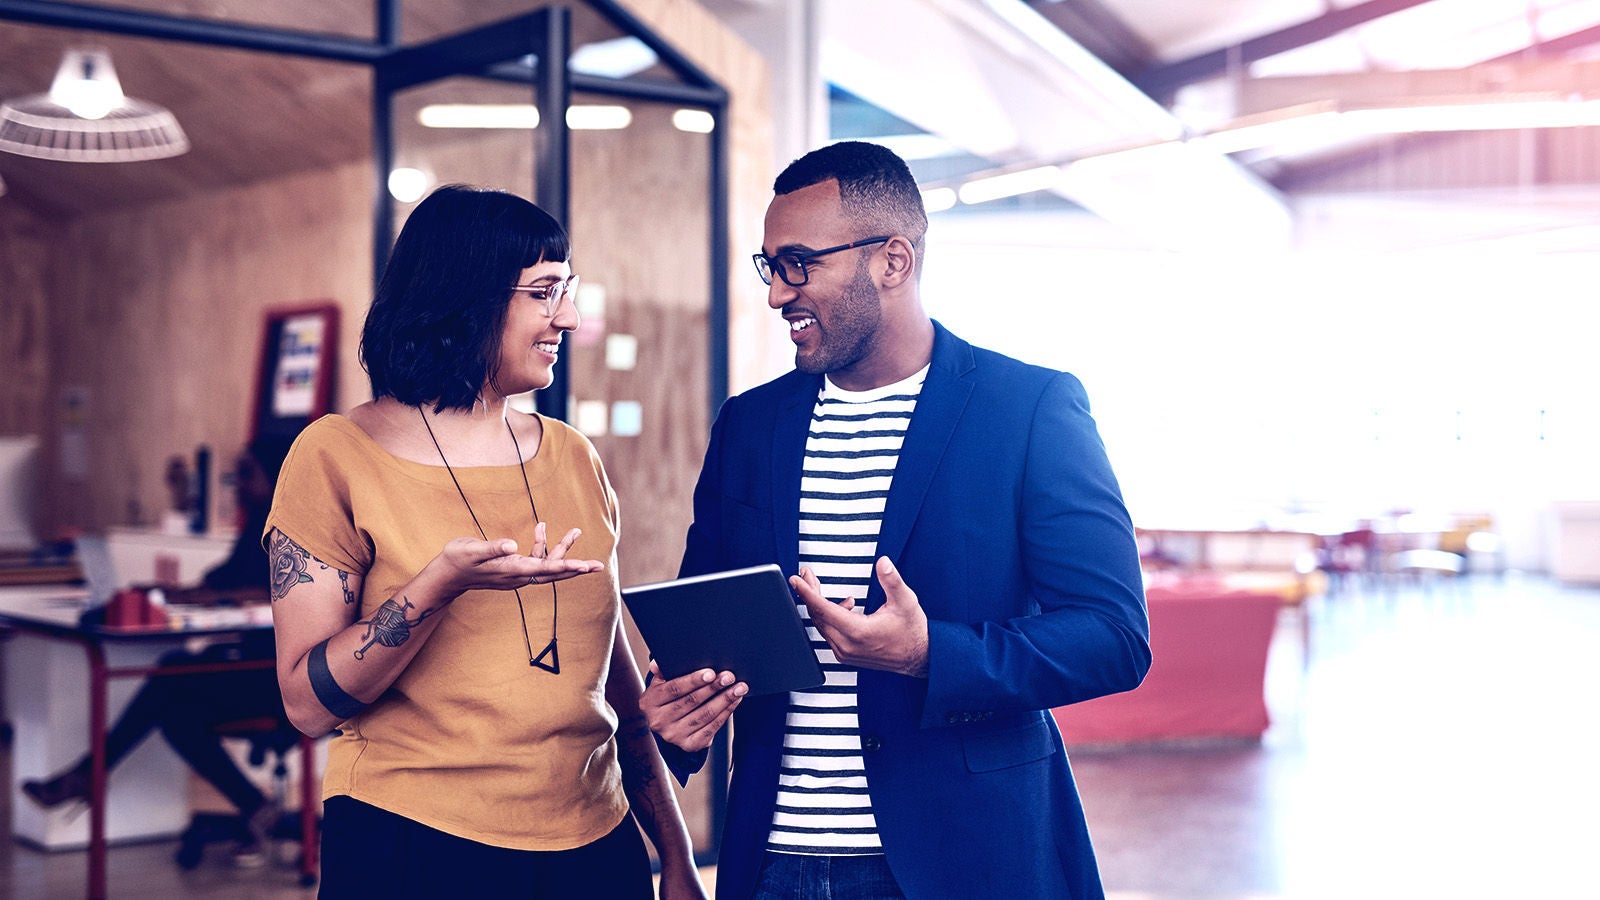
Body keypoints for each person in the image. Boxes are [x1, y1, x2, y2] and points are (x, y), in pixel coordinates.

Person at [641, 141, 1151, 899]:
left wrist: (928, 654)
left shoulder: (1029, 410)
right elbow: (704, 635)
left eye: (800, 264)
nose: (779, 294)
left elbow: (1114, 638)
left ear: (893, 261)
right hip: (775, 866)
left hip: (964, 860)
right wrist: (677, 720)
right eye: (771, 266)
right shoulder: (749, 427)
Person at [264, 185, 704, 899]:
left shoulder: (572, 455)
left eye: (568, 288)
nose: (568, 315)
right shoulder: (336, 454)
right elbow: (307, 705)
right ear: (465, 299)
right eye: (544, 292)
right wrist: (437, 587)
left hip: (595, 842)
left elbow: (613, 688)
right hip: (412, 840)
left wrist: (676, 856)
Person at [23, 434, 296, 866]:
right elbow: (219, 582)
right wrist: (170, 593)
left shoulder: (295, 525)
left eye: (247, 473)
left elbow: (275, 592)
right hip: (245, 662)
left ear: (277, 472)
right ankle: (254, 807)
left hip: (280, 676)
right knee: (175, 709)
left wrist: (213, 599)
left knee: (172, 676)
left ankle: (89, 773)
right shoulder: (256, 523)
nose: (237, 483)